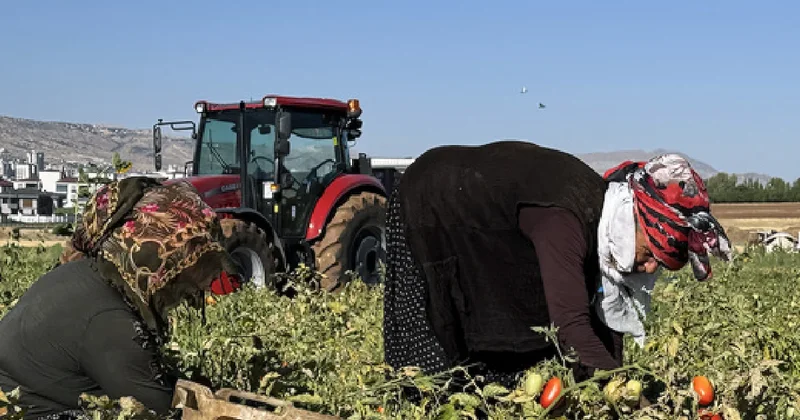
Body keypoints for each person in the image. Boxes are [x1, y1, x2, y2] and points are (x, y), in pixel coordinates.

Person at [382, 140, 731, 389]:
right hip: (432, 202)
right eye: (653, 254)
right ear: (638, 222)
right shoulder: (564, 221)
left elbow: (601, 309)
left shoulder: (606, 215)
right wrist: (621, 385)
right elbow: (571, 323)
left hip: (482, 213)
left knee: (494, 370)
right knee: (432, 353)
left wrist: (616, 380)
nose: (651, 269)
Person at [0, 177, 240, 420]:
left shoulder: (80, 275)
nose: (188, 291)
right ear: (157, 269)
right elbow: (156, 412)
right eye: (181, 276)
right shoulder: (112, 323)